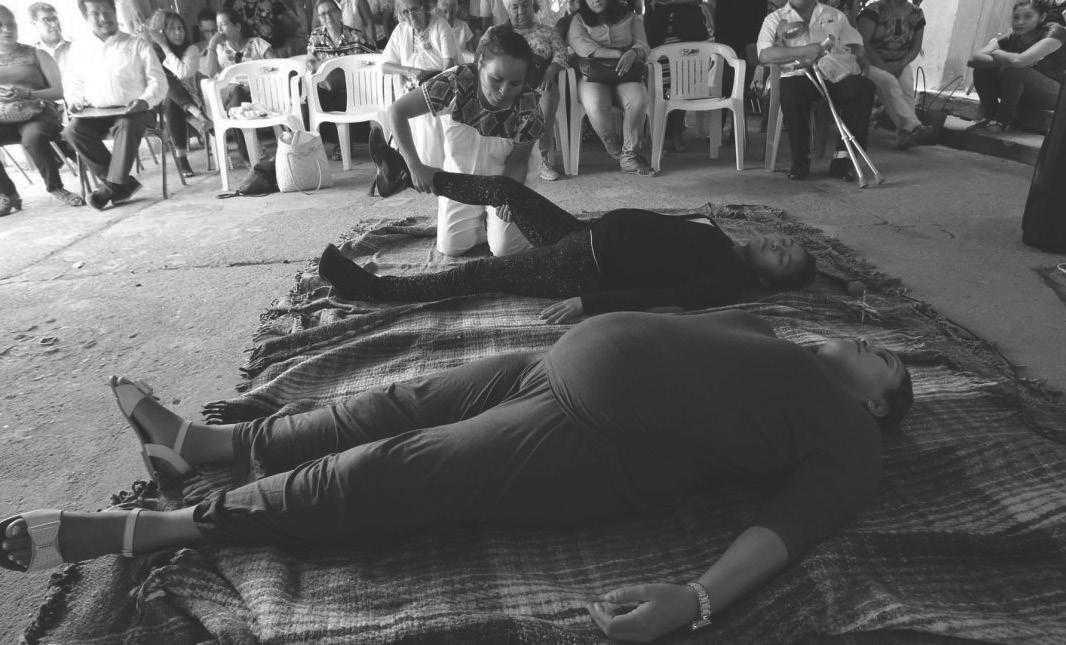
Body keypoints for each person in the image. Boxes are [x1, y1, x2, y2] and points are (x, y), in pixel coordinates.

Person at [0, 309, 913, 644]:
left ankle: (161, 528)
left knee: (391, 470)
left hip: (589, 437)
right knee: (389, 402)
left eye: (884, 359)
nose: (869, 342)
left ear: (877, 405)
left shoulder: (850, 439)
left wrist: (698, 599)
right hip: (550, 361)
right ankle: (207, 443)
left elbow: (788, 529)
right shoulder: (775, 336)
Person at [320, 167, 816, 320]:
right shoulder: (723, 241)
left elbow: (669, 300)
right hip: (582, 235)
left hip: (582, 268)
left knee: (477, 274)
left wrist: (590, 303)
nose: (778, 243)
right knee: (505, 190)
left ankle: (376, 290)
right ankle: (410, 174)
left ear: (767, 281)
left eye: (783, 258)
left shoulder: (728, 278)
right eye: (786, 242)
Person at [383, 25, 544, 257]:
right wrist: (414, 166)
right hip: (462, 176)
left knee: (505, 251)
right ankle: (484, 222)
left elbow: (518, 162)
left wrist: (509, 196)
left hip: (508, 179)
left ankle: (496, 220)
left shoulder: (529, 105)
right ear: (481, 63)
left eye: (515, 84)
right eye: (496, 79)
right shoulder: (456, 82)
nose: (503, 91)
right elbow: (397, 111)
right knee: (452, 247)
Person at [63, 0, 167, 210]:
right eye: (96, 13)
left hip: (137, 110)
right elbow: (73, 83)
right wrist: (75, 100)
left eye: (107, 12)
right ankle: (121, 184)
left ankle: (110, 188)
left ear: (115, 12)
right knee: (72, 131)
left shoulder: (137, 44)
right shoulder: (79, 49)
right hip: (96, 112)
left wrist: (144, 101)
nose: (104, 18)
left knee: (126, 124)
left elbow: (159, 82)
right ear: (85, 17)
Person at [757, 0, 875, 181]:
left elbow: (855, 44)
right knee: (792, 92)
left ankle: (843, 159)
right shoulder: (774, 19)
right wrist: (804, 51)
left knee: (863, 88)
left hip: (833, 73)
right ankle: (800, 160)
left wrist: (856, 53)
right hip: (797, 74)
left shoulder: (835, 15)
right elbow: (765, 55)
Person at [0, 5, 82, 213]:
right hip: (5, 116)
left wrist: (28, 93)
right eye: (0, 26)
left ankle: (56, 187)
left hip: (39, 114)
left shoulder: (37, 54)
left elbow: (58, 91)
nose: (7, 29)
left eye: (10, 24)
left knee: (33, 137)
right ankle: (8, 195)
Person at [568, 0, 656, 176]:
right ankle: (617, 150)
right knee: (596, 104)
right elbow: (581, 46)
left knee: (638, 99)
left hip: (626, 73)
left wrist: (634, 52)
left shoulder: (631, 17)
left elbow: (643, 45)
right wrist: (620, 54)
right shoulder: (579, 19)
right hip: (593, 76)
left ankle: (629, 156)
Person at [381, 0, 459, 170]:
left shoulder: (440, 26)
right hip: (413, 87)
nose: (411, 15)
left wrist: (429, 84)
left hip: (441, 88)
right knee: (401, 110)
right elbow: (385, 66)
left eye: (414, 9)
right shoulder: (401, 30)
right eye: (405, 12)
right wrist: (409, 71)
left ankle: (434, 167)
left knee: (427, 119)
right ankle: (413, 167)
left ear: (425, 7)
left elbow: (449, 67)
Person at [967, 0, 1066, 133]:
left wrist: (998, 54)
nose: (1020, 22)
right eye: (1016, 17)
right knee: (982, 69)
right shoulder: (1012, 36)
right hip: (1019, 89)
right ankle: (990, 115)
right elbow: (973, 59)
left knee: (1013, 70)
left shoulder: (1055, 32)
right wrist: (1009, 60)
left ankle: (1002, 121)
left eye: (1028, 16)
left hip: (1054, 94)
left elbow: (1018, 62)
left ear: (1042, 17)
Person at [857, 0, 936, 150]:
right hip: (867, 63)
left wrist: (900, 64)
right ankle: (912, 127)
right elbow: (862, 43)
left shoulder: (916, 14)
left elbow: (915, 48)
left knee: (906, 86)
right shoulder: (874, 10)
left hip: (899, 63)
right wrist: (883, 66)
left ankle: (905, 134)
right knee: (888, 81)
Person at [504, 0, 569, 181]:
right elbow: (483, 57)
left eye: (525, 5)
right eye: (515, 7)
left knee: (547, 97)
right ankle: (506, 156)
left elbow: (562, 54)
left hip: (539, 82)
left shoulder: (548, 31)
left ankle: (543, 158)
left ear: (532, 7)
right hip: (507, 84)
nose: (521, 11)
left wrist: (549, 72)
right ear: (508, 9)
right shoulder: (500, 33)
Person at [204, 7, 275, 163]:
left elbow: (276, 67)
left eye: (223, 24)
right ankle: (249, 152)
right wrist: (212, 45)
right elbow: (210, 73)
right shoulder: (220, 49)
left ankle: (248, 154)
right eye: (218, 26)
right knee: (237, 91)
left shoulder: (257, 43)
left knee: (237, 104)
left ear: (237, 26)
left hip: (258, 93)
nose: (219, 30)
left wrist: (257, 82)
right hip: (230, 92)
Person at [307, 0, 376, 155]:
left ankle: (344, 144)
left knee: (342, 96)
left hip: (353, 87)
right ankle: (311, 144)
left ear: (339, 13)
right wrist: (314, 64)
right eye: (323, 14)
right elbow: (310, 59)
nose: (328, 16)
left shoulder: (356, 36)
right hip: (327, 87)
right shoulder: (316, 36)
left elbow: (373, 58)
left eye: (331, 11)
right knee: (310, 94)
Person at [645, 0, 712, 154]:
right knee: (663, 86)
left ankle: (675, 132)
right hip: (660, 62)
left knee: (683, 82)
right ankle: (661, 134)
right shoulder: (654, 9)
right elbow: (648, 41)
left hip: (687, 63)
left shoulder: (692, 10)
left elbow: (703, 37)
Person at [146, 10, 203, 178]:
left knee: (171, 100)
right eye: (172, 29)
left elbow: (183, 73)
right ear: (161, 32)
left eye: (181, 28)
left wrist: (165, 47)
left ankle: (181, 159)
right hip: (155, 104)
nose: (179, 33)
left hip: (187, 98)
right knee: (163, 83)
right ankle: (197, 114)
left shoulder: (190, 50)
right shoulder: (151, 52)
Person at [27, 2, 70, 71]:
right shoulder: (30, 55)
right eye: (46, 20)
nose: (54, 24)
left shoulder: (75, 46)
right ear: (34, 25)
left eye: (55, 19)